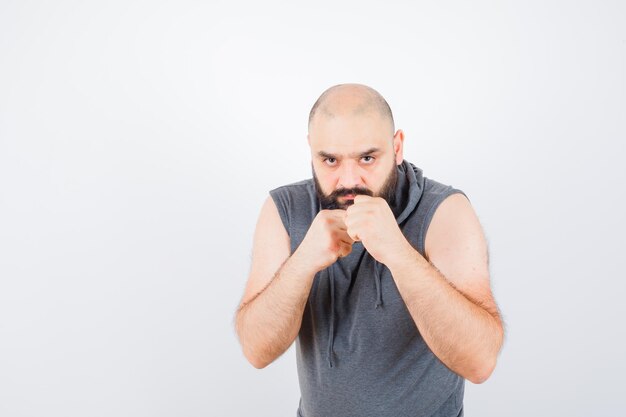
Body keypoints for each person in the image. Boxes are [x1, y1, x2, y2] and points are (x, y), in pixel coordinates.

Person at [234, 83, 505, 417]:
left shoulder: (445, 211)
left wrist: (398, 254)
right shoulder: (285, 209)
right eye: (330, 160)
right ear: (311, 151)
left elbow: (480, 363)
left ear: (397, 147)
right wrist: (303, 261)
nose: (349, 180)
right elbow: (256, 351)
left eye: (367, 158)